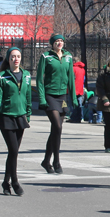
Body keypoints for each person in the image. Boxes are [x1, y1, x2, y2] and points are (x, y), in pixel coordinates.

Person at [0, 47, 31, 196]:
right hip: (6, 116)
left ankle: (5, 182)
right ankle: (14, 182)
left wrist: (29, 114)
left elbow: (27, 96)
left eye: (18, 56)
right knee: (13, 150)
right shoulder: (2, 76)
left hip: (20, 117)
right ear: (8, 59)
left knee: (13, 153)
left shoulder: (26, 75)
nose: (16, 59)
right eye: (13, 56)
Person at [37, 34, 78, 174]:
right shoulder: (46, 57)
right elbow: (39, 80)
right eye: (57, 41)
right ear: (52, 43)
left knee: (56, 130)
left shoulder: (68, 57)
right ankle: (56, 161)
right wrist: (42, 98)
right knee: (57, 126)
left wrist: (73, 98)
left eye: (61, 41)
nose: (59, 43)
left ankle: (46, 160)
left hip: (63, 97)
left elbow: (71, 78)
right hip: (50, 95)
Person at [69, 56, 86, 123]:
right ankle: (80, 117)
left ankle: (73, 117)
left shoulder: (72, 69)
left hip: (73, 89)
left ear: (73, 62)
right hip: (80, 88)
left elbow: (71, 79)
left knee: (73, 104)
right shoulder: (82, 69)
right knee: (80, 104)